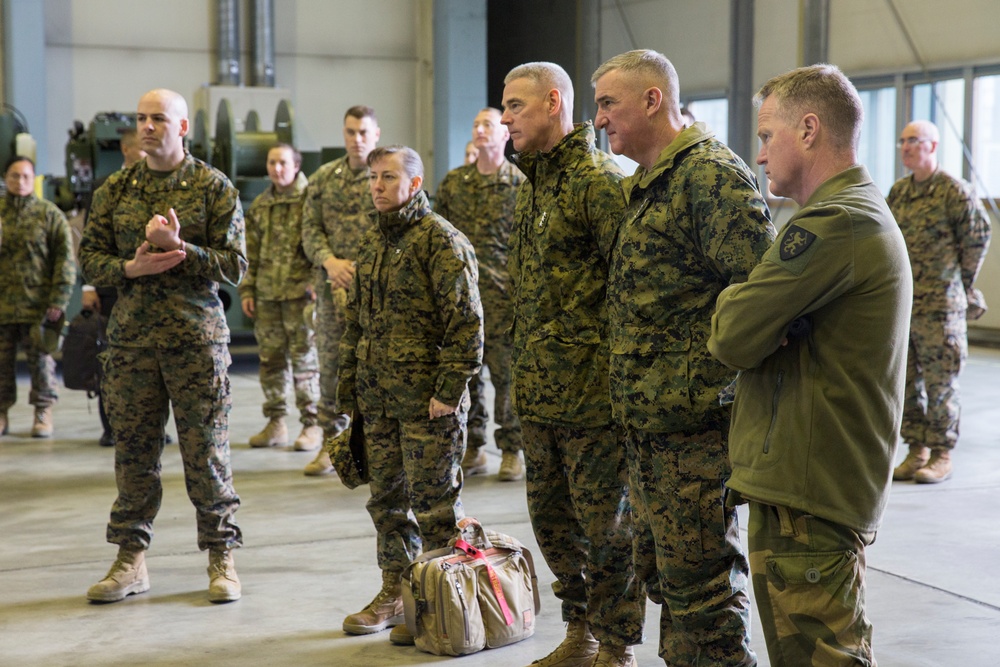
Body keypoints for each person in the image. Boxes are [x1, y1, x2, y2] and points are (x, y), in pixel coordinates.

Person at [707, 64, 912, 666]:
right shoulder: (849, 215)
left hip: (810, 493)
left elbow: (732, 334)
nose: (760, 154)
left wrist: (734, 302)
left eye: (768, 135)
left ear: (809, 129)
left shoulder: (836, 223)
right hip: (811, 483)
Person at [591, 49, 774, 666]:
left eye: (608, 104)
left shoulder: (710, 176)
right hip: (648, 428)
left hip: (693, 433)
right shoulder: (647, 183)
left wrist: (704, 387)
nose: (600, 120)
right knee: (669, 584)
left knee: (704, 592)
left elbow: (761, 300)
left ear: (652, 100)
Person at [501, 61, 643, 667]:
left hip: (591, 400)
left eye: (515, 106)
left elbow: (632, 287)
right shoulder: (534, 184)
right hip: (539, 396)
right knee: (554, 526)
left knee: (607, 531)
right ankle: (580, 629)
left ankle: (615, 644)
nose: (505, 118)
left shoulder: (598, 182)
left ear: (553, 103)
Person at [79, 88, 246, 604]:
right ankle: (131, 559)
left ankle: (222, 557)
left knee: (206, 454)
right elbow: (89, 259)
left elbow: (235, 267)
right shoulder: (115, 190)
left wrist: (182, 249)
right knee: (133, 455)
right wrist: (128, 268)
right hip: (132, 344)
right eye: (141, 118)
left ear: (183, 127)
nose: (147, 126)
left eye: (159, 119)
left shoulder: (213, 187)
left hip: (196, 342)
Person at [337, 145, 482, 645]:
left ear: (415, 184)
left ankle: (446, 606)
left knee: (437, 507)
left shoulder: (441, 242)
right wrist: (348, 391)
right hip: (378, 401)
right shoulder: (373, 243)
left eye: (388, 177)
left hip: (427, 405)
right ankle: (397, 595)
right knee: (388, 504)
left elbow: (467, 324)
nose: (377, 185)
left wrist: (447, 391)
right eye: (373, 177)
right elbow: (354, 323)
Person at [887, 120, 991, 484]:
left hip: (941, 307)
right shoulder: (899, 193)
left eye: (914, 141)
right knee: (907, 381)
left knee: (940, 383)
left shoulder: (953, 190)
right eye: (903, 141)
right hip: (906, 304)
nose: (906, 147)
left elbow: (977, 237)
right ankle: (917, 451)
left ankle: (942, 454)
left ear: (932, 146)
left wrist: (960, 281)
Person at [435, 107, 526, 481]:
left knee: (506, 381)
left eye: (487, 124)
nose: (479, 130)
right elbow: (436, 237)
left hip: (505, 301)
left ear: (504, 134)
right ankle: (473, 447)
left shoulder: (520, 183)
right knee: (466, 377)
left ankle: (511, 449)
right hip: (462, 301)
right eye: (474, 125)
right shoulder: (455, 183)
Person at [300, 105, 380, 476]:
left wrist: (361, 267)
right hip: (332, 289)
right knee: (330, 367)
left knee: (376, 369)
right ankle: (334, 448)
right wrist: (330, 261)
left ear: (375, 135)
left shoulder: (386, 177)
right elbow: (310, 229)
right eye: (350, 132)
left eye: (364, 132)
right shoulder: (322, 178)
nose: (356, 139)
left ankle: (378, 450)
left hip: (378, 291)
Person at [240, 143, 321, 452]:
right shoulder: (261, 205)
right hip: (268, 296)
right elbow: (251, 253)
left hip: (301, 296)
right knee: (271, 361)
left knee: (304, 362)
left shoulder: (310, 200)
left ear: (296, 165)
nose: (277, 169)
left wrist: (316, 283)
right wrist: (248, 289)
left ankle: (311, 425)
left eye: (283, 163)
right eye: (272, 162)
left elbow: (319, 245)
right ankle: (276, 423)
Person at [0, 156, 77, 439]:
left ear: (34, 180)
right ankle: (1, 413)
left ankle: (43, 411)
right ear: (5, 178)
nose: (19, 182)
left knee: (41, 362)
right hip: (3, 305)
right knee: (1, 363)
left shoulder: (49, 214)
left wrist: (59, 299)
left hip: (38, 306)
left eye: (25, 177)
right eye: (13, 176)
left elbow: (65, 261)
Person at [80, 128, 146, 447]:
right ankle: (112, 427)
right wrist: (89, 287)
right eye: (142, 151)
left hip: (148, 294)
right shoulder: (103, 189)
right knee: (110, 361)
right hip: (111, 290)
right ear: (126, 150)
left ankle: (152, 427)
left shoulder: (157, 187)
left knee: (147, 365)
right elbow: (89, 245)